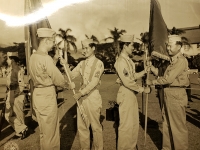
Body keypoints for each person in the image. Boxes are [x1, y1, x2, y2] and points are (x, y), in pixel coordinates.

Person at [29, 28, 75, 150]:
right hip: (47, 95)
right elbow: (57, 78)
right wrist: (68, 85)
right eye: (52, 42)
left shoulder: (33, 57)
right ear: (46, 41)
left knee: (44, 132)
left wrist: (54, 59)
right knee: (51, 133)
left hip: (38, 94)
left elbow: (45, 71)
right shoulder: (45, 58)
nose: (53, 45)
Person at [147, 35, 189, 150]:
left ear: (179, 46)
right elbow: (165, 76)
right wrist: (152, 69)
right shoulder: (172, 62)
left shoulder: (180, 61)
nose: (168, 48)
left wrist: (152, 82)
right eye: (167, 46)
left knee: (177, 127)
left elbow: (168, 79)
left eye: (170, 46)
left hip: (176, 94)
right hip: (169, 93)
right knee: (167, 125)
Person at [114, 35, 151, 150]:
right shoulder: (121, 61)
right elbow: (127, 81)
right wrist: (142, 89)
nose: (133, 48)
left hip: (131, 94)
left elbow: (132, 76)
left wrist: (144, 71)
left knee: (133, 124)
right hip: (126, 93)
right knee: (126, 126)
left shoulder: (128, 60)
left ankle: (130, 147)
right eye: (131, 45)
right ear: (125, 46)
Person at [67, 38, 104, 150]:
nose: (84, 51)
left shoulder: (99, 63)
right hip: (82, 99)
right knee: (82, 128)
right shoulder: (82, 63)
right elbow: (72, 75)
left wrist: (80, 93)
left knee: (96, 128)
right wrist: (66, 67)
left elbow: (94, 82)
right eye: (83, 48)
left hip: (92, 97)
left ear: (93, 48)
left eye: (86, 48)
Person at [5, 51, 28, 139]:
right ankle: (21, 129)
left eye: (8, 59)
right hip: (10, 94)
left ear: (12, 60)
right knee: (8, 115)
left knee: (19, 114)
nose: (7, 61)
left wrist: (15, 94)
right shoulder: (10, 70)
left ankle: (21, 131)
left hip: (16, 95)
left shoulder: (18, 70)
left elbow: (21, 85)